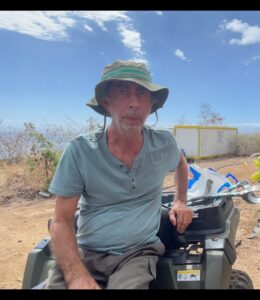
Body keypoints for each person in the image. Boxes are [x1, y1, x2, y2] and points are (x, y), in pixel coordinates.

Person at [45, 60, 193, 289]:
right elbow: (61, 221)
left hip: (137, 253)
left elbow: (181, 164)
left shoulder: (163, 143)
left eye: (142, 93)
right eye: (123, 92)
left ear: (151, 103)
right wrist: (76, 276)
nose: (134, 103)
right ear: (106, 103)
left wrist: (181, 201)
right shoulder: (80, 151)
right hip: (86, 252)